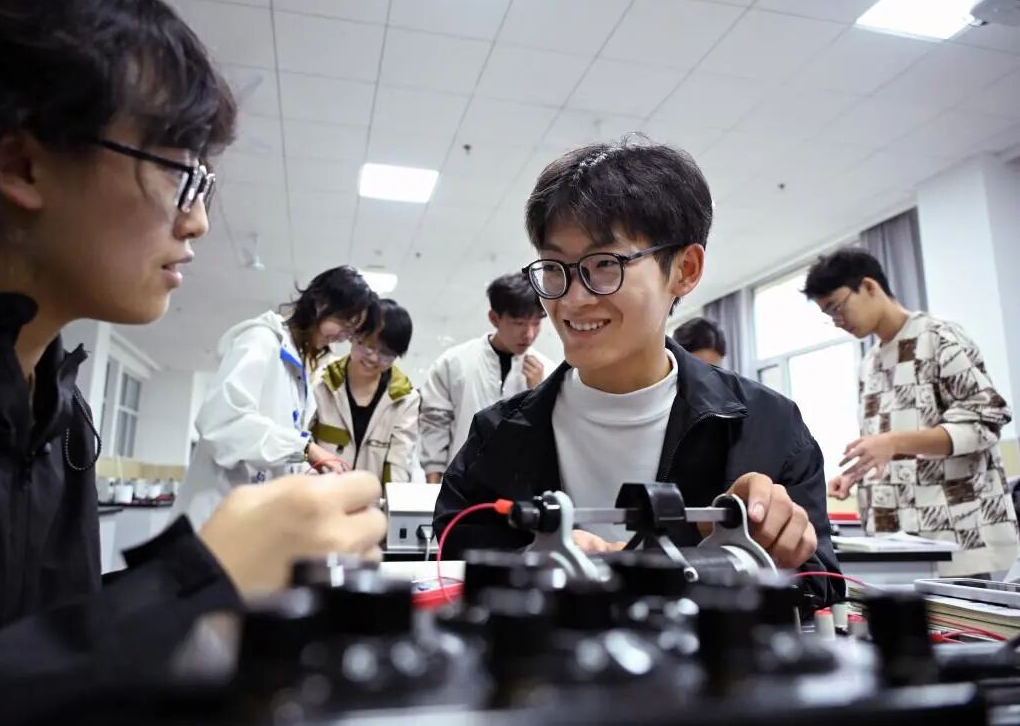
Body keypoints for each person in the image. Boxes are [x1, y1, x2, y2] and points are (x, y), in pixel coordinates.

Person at [0, 0, 385, 720]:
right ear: (23, 163)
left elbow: (53, 647)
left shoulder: (59, 414)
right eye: (179, 174)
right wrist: (195, 584)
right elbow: (222, 422)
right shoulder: (260, 342)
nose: (199, 219)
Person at [433, 137, 841, 607]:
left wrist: (761, 543)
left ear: (685, 270)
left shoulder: (767, 427)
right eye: (555, 268)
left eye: (605, 265)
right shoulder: (497, 436)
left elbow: (820, 582)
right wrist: (533, 563)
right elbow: (453, 562)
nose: (572, 300)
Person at [804, 248, 1019, 577]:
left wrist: (893, 442)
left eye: (837, 307)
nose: (838, 321)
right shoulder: (869, 365)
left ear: (869, 286)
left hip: (960, 540)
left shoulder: (939, 338)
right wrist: (855, 475)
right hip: (899, 547)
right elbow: (890, 446)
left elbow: (987, 420)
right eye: (829, 315)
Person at [173, 266, 379, 530]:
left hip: (251, 520)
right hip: (215, 515)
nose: (341, 338)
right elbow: (221, 424)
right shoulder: (261, 340)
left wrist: (312, 474)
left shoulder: (298, 370)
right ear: (320, 303)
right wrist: (305, 449)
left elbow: (275, 451)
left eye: (350, 333)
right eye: (344, 325)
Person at [419, 272, 548, 484]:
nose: (529, 334)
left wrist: (539, 393)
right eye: (519, 323)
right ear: (494, 318)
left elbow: (549, 438)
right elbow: (435, 423)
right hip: (460, 484)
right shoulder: (456, 362)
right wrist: (433, 482)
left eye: (536, 324)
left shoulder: (547, 372)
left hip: (519, 488)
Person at [313, 298, 420, 483]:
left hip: (371, 497)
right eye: (369, 345)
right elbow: (301, 445)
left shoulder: (405, 399)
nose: (373, 358)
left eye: (386, 353)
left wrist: (390, 499)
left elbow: (399, 463)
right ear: (353, 336)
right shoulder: (321, 382)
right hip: (319, 493)